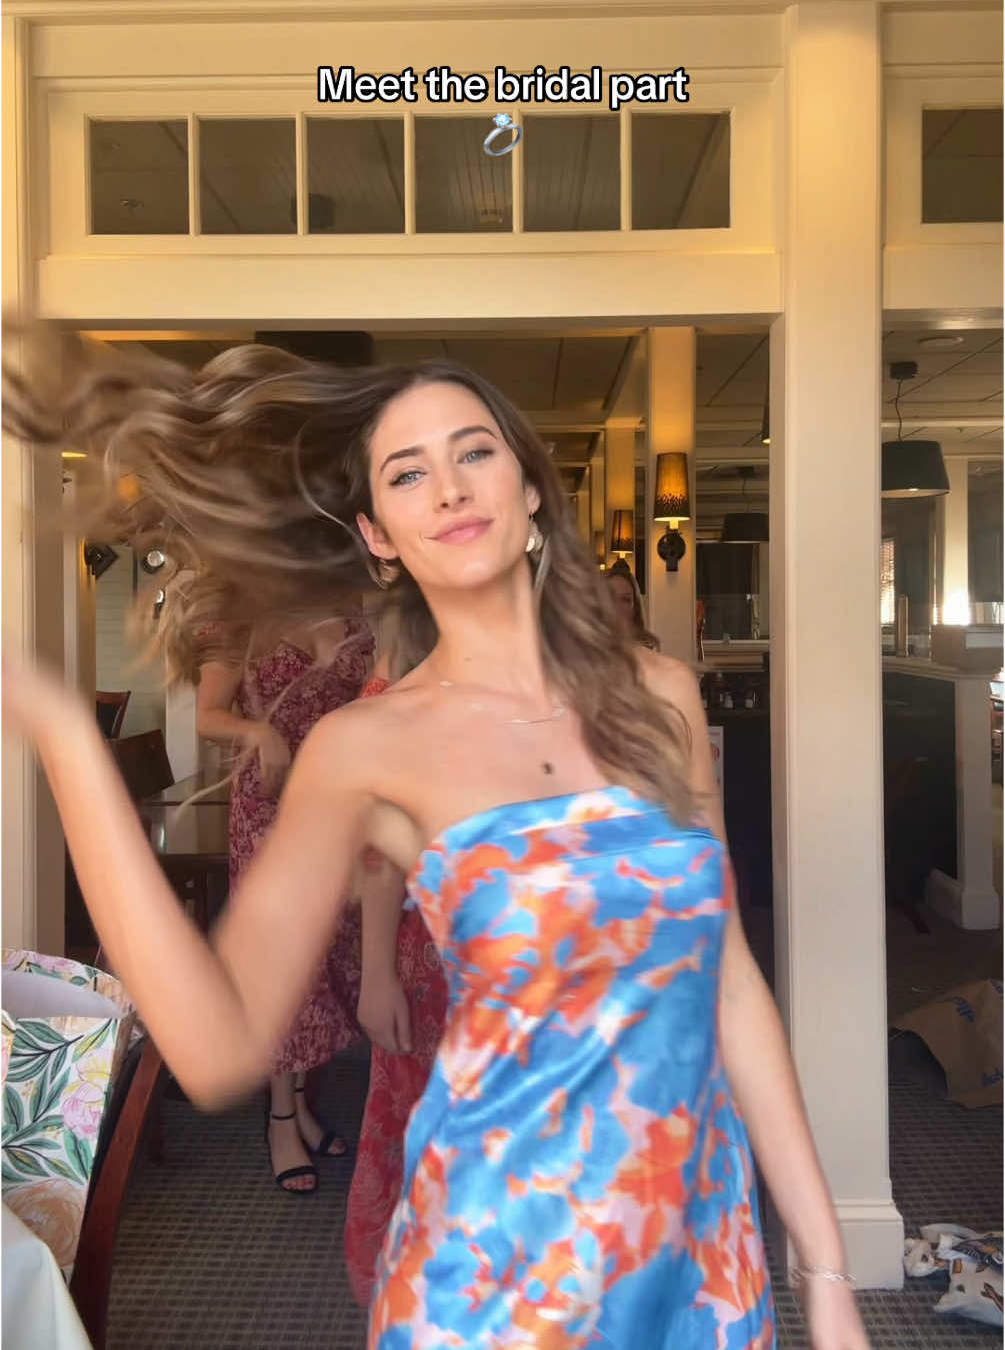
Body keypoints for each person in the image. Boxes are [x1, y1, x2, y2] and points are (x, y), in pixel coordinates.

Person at [3, 329, 870, 1350]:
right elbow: (216, 1046)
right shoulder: (367, 744)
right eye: (408, 473)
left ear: (531, 489)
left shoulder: (661, 696)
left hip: (697, 1251)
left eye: (475, 451)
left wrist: (824, 1269)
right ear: (378, 535)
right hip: (495, 1272)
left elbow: (728, 982)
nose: (450, 487)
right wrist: (61, 732)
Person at [196, 610, 373, 1194]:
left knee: (327, 957)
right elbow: (208, 715)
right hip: (268, 803)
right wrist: (260, 733)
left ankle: (297, 1107)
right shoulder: (240, 616)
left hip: (338, 802)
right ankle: (279, 1118)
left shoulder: (355, 612)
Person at [347, 655, 449, 1306]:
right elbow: (378, 851)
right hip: (433, 958)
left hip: (546, 964)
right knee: (423, 1137)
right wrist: (376, 970)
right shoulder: (397, 685)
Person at [604, 557, 660, 651]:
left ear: (634, 608)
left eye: (626, 599)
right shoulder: (583, 650)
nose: (618, 606)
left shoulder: (646, 649)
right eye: (611, 597)